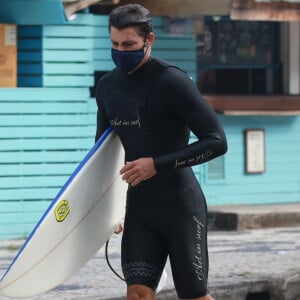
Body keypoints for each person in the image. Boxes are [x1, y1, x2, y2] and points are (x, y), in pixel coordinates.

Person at [95, 4, 227, 300]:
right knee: (138, 294)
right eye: (114, 44)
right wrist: (110, 210)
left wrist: (157, 164)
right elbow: (103, 154)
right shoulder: (107, 87)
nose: (120, 51)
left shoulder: (172, 81)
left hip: (181, 207)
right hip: (140, 210)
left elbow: (217, 141)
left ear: (149, 40)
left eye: (128, 44)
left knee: (194, 295)